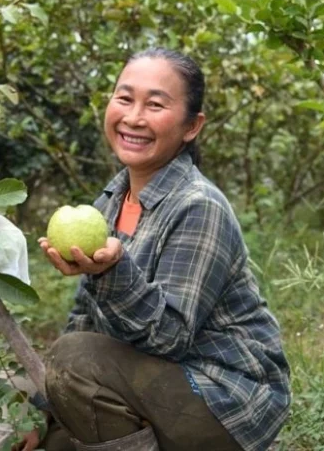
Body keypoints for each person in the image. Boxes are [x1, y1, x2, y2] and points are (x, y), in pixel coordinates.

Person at [18, 48, 290, 451]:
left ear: (191, 126)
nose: (134, 118)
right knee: (52, 441)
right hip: (156, 380)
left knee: (73, 360)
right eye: (124, 98)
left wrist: (112, 272)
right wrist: (44, 406)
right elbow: (85, 317)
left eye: (156, 105)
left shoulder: (198, 205)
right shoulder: (110, 201)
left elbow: (169, 338)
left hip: (224, 393)